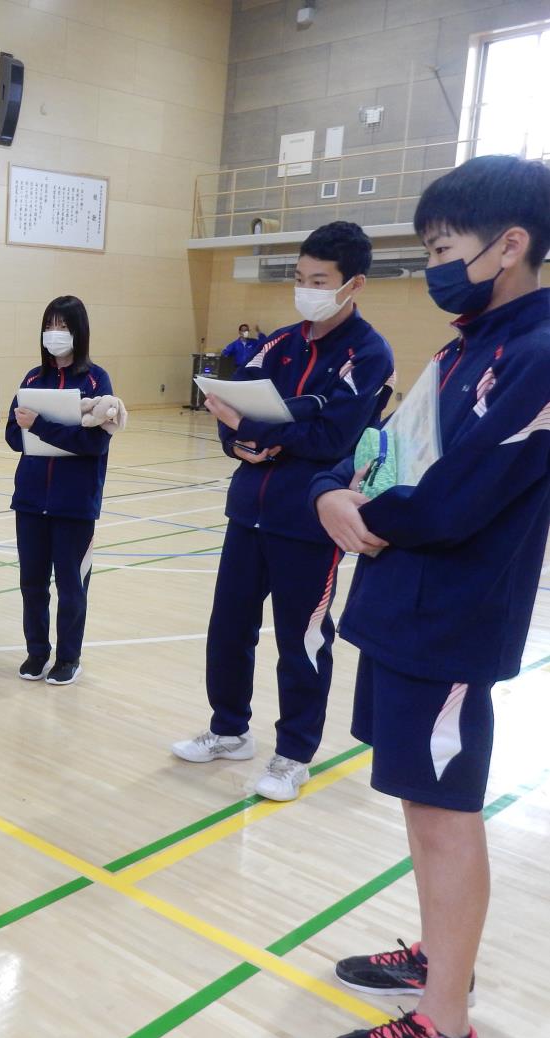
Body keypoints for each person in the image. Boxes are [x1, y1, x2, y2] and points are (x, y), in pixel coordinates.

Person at [313, 156, 550, 1038]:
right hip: (402, 610)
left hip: (450, 623)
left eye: (443, 246)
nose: (434, 265)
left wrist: (353, 509)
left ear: (510, 245)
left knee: (447, 819)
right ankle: (440, 958)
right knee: (421, 806)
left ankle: (445, 1023)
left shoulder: (535, 355)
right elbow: (388, 443)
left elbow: (451, 499)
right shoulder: (463, 347)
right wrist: (332, 490)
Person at [171, 220, 395, 803]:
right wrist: (244, 439)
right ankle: (228, 730)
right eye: (300, 278)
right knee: (228, 630)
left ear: (354, 284)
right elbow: (229, 405)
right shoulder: (277, 344)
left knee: (303, 639)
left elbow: (333, 435)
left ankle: (294, 753)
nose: (307, 290)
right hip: (249, 512)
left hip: (310, 521)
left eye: (320, 280)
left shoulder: (368, 354)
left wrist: (261, 430)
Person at [4, 296, 118, 687]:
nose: (55, 333)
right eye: (49, 324)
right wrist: (28, 427)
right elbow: (11, 436)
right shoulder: (33, 379)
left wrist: (40, 426)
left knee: (71, 586)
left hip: (75, 503)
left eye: (63, 325)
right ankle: (37, 652)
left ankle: (69, 657)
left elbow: (95, 444)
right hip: (32, 500)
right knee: (32, 583)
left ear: (79, 331)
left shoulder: (96, 380)